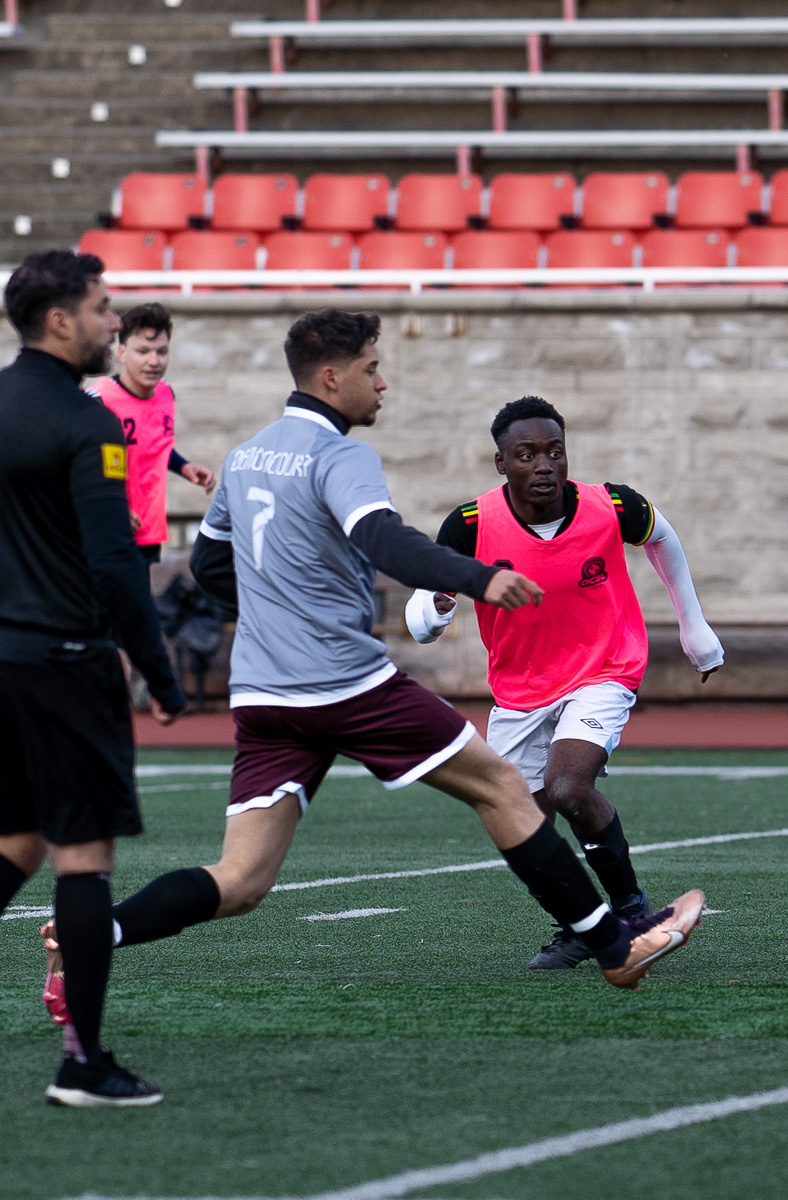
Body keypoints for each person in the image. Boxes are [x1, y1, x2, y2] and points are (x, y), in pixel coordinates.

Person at [42, 310, 703, 1062]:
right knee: (504, 790)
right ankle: (616, 943)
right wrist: (478, 576)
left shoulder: (248, 456)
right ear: (333, 376)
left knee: (241, 879)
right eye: (371, 368)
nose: (381, 382)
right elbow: (385, 540)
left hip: (264, 696)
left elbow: (210, 569)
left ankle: (94, 931)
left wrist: (277, 611)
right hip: (342, 683)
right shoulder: (341, 456)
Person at [406, 396, 724, 969]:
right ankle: (578, 927)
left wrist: (693, 627)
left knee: (569, 787)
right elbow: (422, 615)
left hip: (606, 669)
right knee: (522, 822)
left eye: (555, 451)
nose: (545, 464)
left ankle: (632, 911)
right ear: (501, 462)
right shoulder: (471, 524)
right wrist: (436, 607)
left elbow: (664, 540)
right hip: (521, 690)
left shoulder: (612, 505)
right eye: (527, 454)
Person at [0, 250, 188, 1106]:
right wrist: (158, 668)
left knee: (16, 842)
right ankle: (83, 1064)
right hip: (65, 661)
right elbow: (116, 566)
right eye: (103, 308)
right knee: (82, 860)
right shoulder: (88, 425)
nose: (116, 324)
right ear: (61, 319)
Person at [88, 303, 215, 564]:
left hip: (147, 530)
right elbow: (81, 465)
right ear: (122, 353)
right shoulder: (99, 401)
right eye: (143, 351)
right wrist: (111, 505)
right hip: (107, 530)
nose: (154, 361)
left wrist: (183, 466)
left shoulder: (166, 394)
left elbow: (154, 445)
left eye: (161, 351)